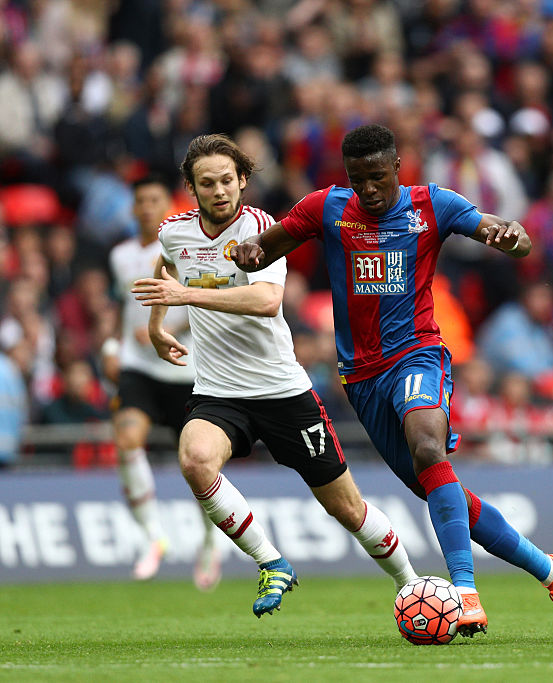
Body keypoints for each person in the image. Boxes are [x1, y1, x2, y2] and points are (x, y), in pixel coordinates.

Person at [230, 123, 553, 640]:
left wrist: (510, 237)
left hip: (417, 355)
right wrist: (246, 255)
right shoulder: (327, 207)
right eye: (359, 180)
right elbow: (265, 249)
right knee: (446, 493)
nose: (369, 190)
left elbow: (505, 233)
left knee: (427, 446)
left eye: (378, 177)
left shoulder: (433, 205)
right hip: (361, 378)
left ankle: (464, 591)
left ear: (398, 168)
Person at [131, 133, 418, 617]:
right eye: (207, 183)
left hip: (283, 390)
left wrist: (187, 297)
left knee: (346, 508)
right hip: (220, 391)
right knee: (196, 459)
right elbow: (167, 265)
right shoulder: (174, 231)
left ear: (242, 180)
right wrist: (158, 328)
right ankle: (272, 561)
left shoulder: (262, 229)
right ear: (191, 188)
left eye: (227, 180)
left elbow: (266, 302)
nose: (219, 191)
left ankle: (411, 584)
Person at [108, 175, 221, 588]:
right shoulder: (119, 255)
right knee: (126, 440)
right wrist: (110, 347)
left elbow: (207, 303)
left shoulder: (184, 248)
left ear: (165, 205)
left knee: (198, 464)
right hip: (138, 366)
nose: (146, 207)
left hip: (185, 368)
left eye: (154, 199)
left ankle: (210, 540)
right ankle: (153, 537)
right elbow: (120, 308)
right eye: (140, 201)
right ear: (134, 207)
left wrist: (164, 326)